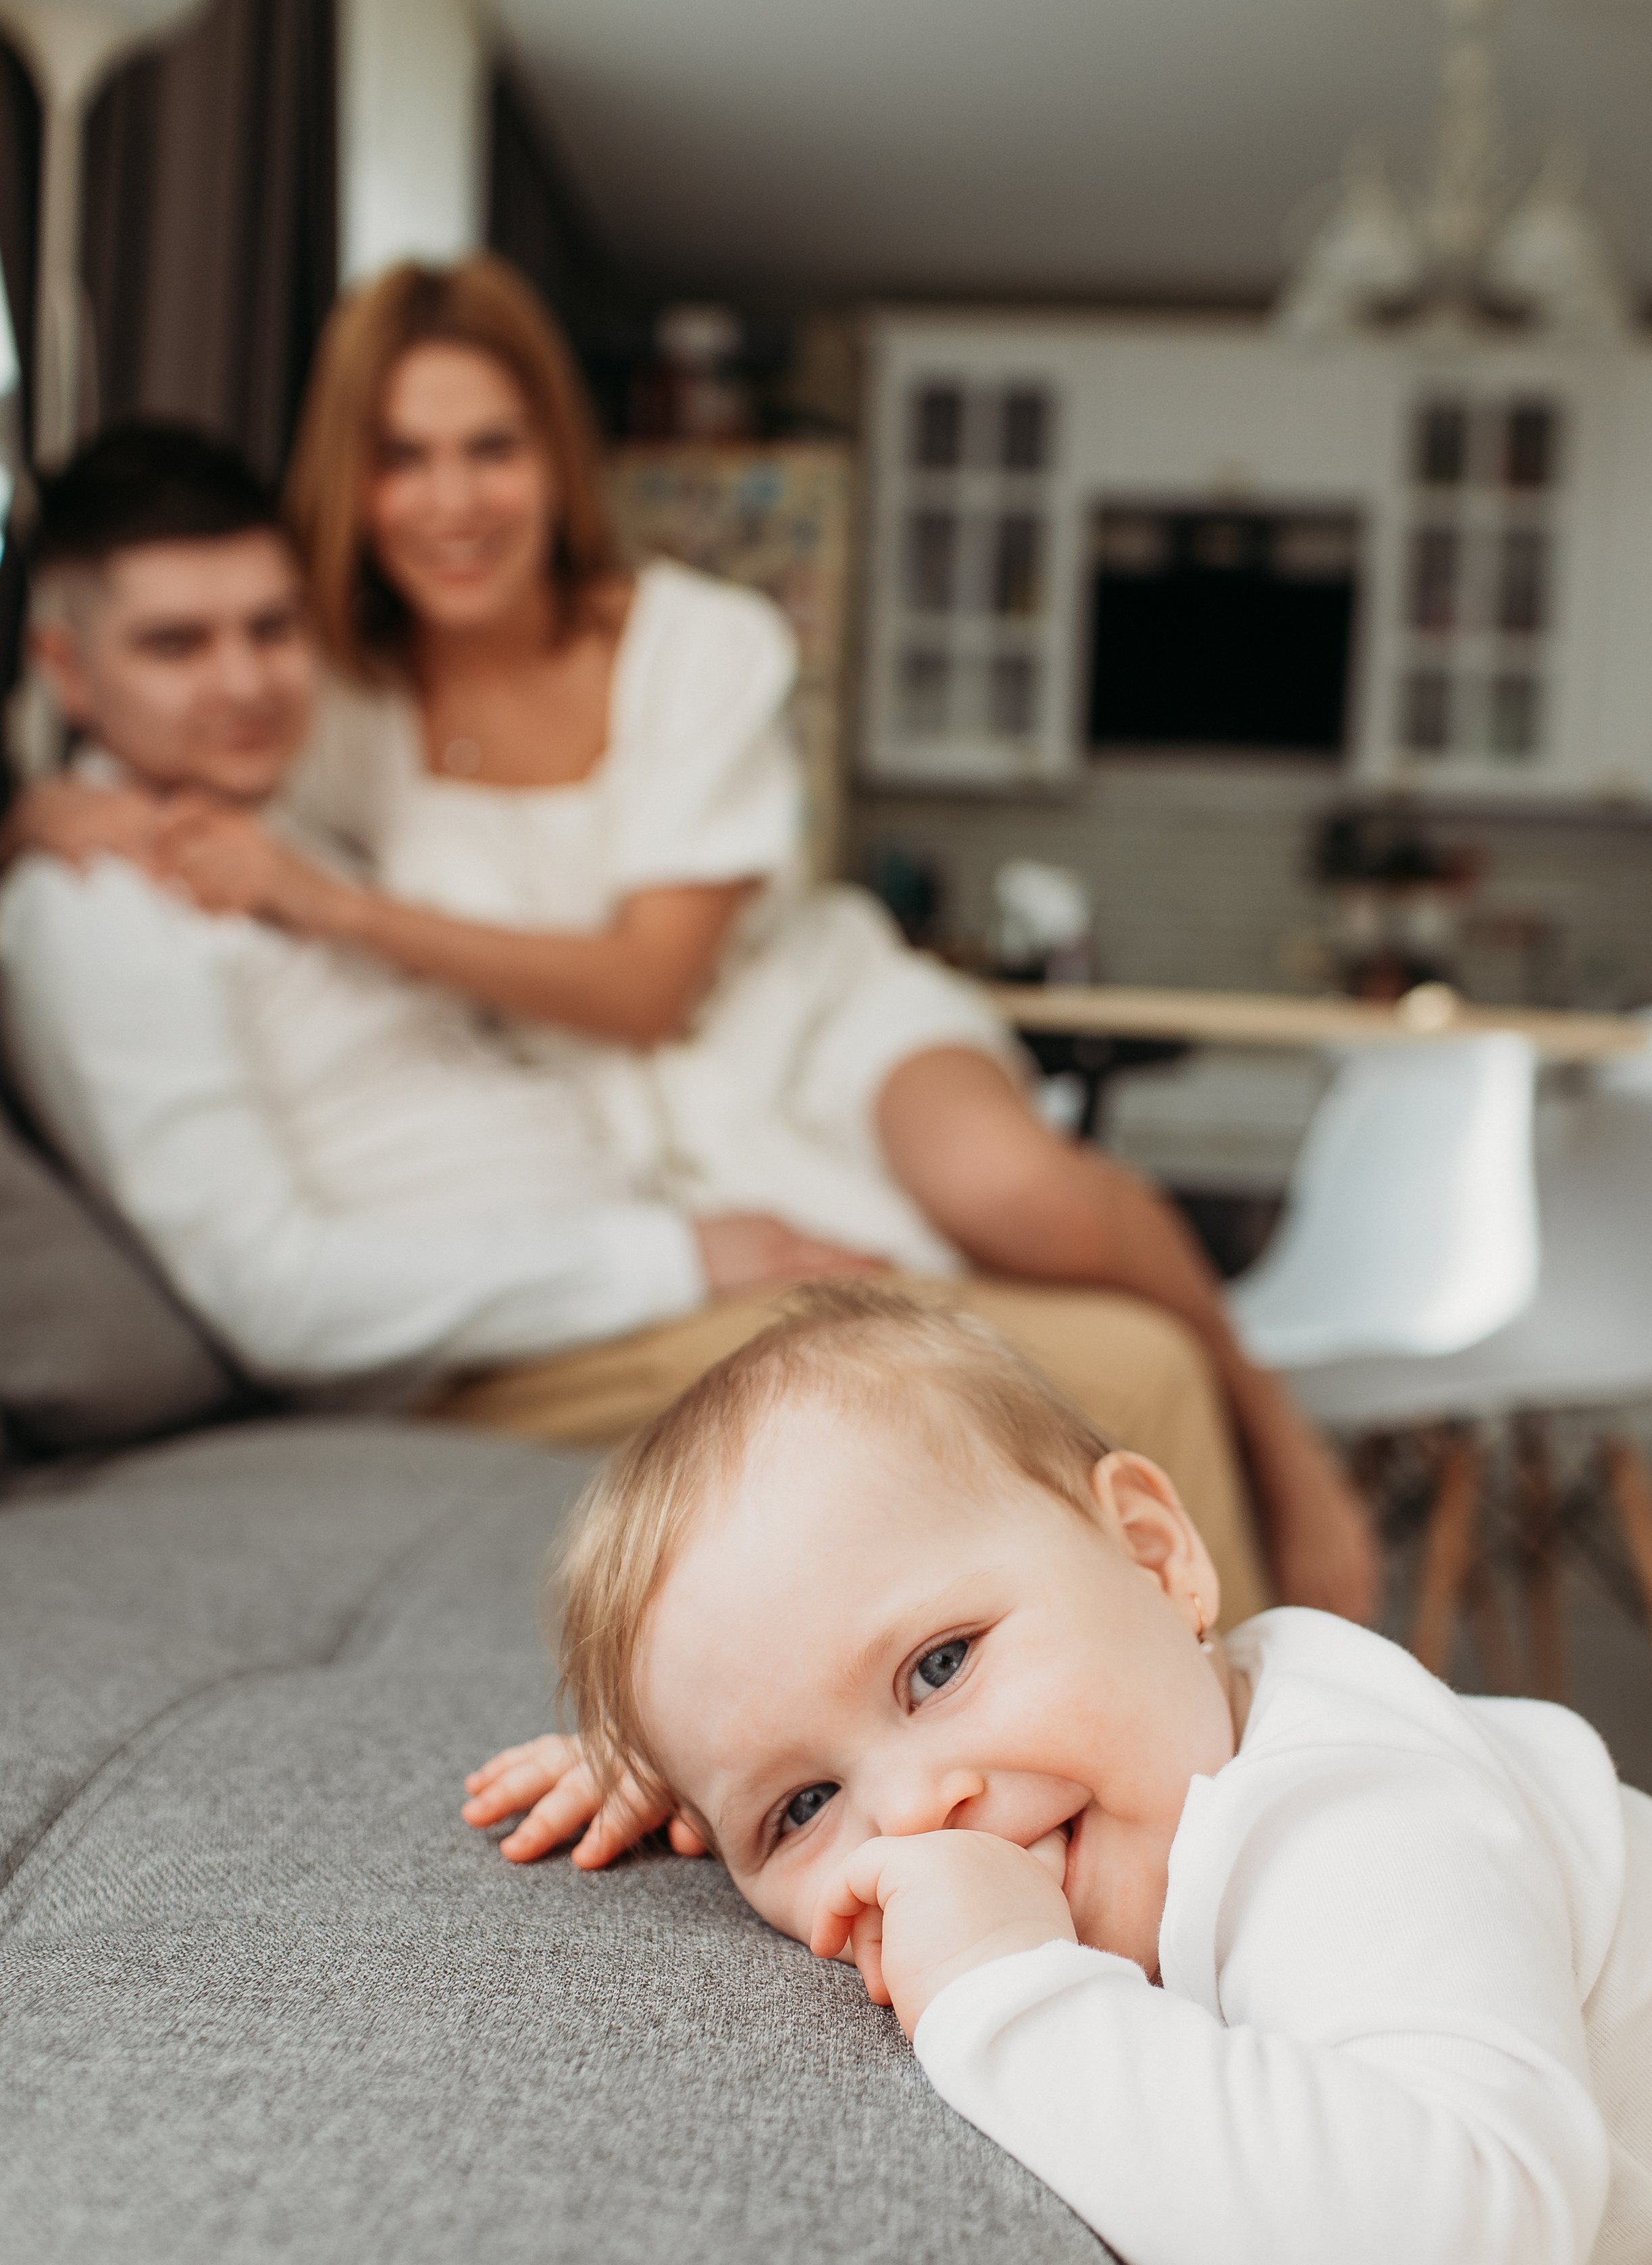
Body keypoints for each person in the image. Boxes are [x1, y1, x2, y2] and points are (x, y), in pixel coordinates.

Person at [7, 257, 1376, 1621]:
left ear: (558, 454)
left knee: (1023, 1205)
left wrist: (301, 888)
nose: (452, 499)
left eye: (493, 446)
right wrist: (39, 805)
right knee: (1092, 1371)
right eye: (401, 457)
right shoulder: (321, 722)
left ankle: (1283, 1491)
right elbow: (272, 1270)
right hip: (612, 1198)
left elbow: (652, 988)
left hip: (770, 1034)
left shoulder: (662, 650)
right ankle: (1229, 1746)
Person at [464, 1284, 1652, 2265]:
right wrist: (686, 1762)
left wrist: (1004, 1986)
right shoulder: (1145, 1760)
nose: (908, 1810)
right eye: (800, 1807)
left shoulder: (1351, 1820)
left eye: (939, 1666)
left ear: (1152, 1554)